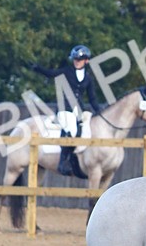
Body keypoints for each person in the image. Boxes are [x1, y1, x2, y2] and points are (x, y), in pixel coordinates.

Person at [32, 45, 103, 176]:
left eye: (79, 59)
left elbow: (92, 97)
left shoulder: (88, 78)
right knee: (71, 129)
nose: (76, 61)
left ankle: (79, 159)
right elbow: (50, 73)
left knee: (87, 128)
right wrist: (38, 68)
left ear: (86, 61)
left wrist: (99, 111)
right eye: (75, 59)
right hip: (65, 108)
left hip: (78, 110)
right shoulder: (66, 71)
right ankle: (62, 162)